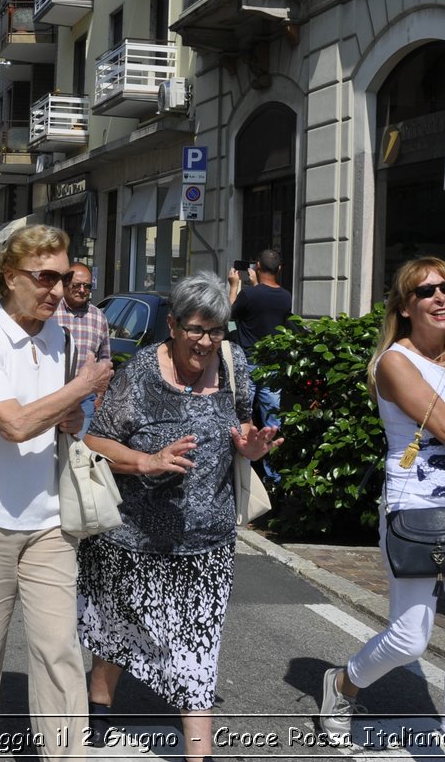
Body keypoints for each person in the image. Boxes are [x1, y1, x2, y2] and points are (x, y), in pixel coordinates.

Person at [78, 271, 278, 759]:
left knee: (197, 652)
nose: (206, 341)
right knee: (116, 629)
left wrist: (250, 447)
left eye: (215, 331)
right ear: (172, 325)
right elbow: (96, 438)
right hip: (133, 537)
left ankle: (199, 754)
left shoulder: (234, 366)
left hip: (206, 540)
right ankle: (99, 703)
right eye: (196, 329)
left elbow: (242, 425)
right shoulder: (141, 373)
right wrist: (146, 460)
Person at [0, 223, 113, 762]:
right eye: (45, 278)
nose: (58, 291)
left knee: (59, 650)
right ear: (10, 276)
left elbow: (62, 416)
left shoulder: (57, 336)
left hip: (48, 519)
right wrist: (79, 389)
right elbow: (12, 425)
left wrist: (74, 410)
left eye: (64, 278)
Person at [319, 257, 445, 759]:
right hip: (415, 508)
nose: (441, 298)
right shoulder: (395, 363)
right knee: (410, 638)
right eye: (427, 291)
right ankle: (345, 684)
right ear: (405, 305)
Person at [228, 250, 293, 479]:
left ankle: (238, 472)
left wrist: (234, 286)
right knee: (272, 422)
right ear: (280, 269)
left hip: (247, 363)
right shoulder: (286, 297)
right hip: (272, 367)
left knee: (242, 417)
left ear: (256, 266)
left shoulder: (248, 295)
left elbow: (229, 314)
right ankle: (274, 477)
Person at [55, 261, 110, 433]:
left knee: (77, 455)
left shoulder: (98, 317)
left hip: (85, 400)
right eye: (77, 285)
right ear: (65, 284)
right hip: (52, 394)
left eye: (87, 286)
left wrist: (99, 398)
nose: (82, 290)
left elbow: (105, 360)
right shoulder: (50, 311)